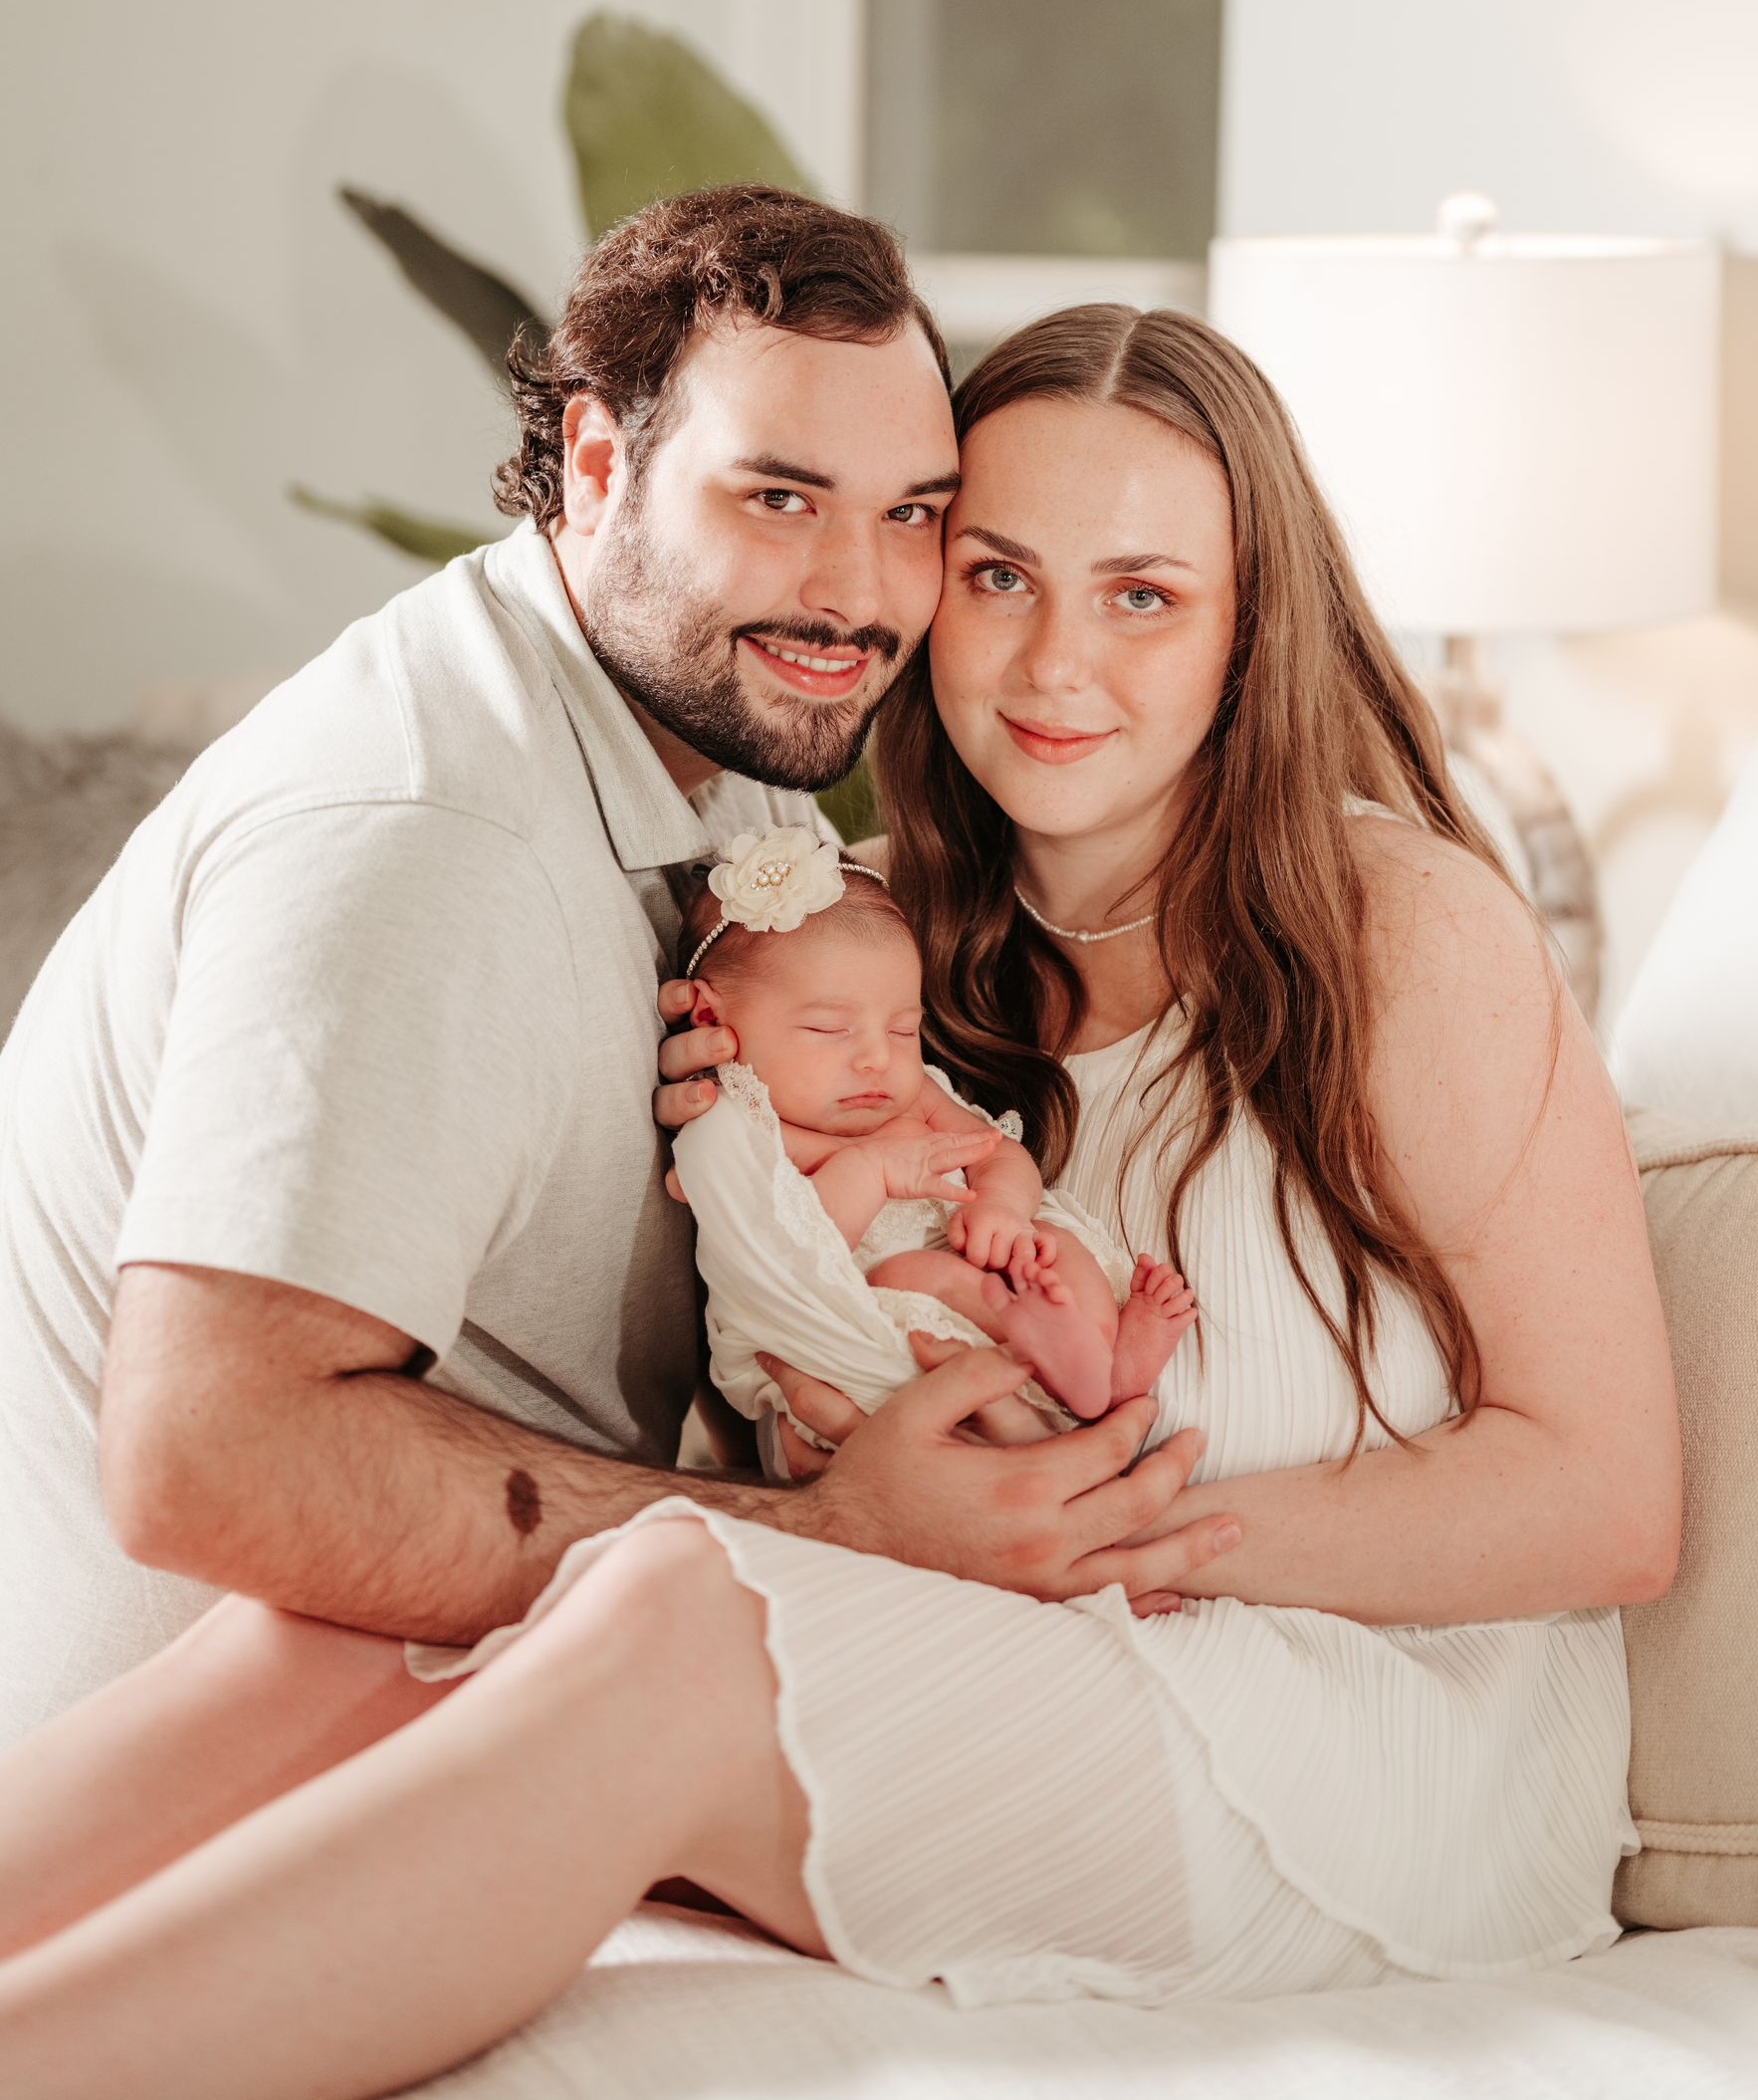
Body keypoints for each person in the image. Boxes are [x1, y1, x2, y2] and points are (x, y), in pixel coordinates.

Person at [0, 302, 1680, 2100]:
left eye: (1142, 594)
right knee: (364, 1608)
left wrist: (1075, 1534)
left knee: (662, 1614)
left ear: (1248, 627)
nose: (1052, 665)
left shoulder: (1401, 925)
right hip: (1021, 1645)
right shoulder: (839, 944)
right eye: (999, 574)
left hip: (1365, 1749)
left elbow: (1602, 1499)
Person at [0, 186, 1226, 1751]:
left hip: (493, 1683)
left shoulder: (735, 736)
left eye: (912, 513)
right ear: (594, 463)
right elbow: (205, 1457)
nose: (857, 593)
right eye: (778, 497)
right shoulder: (420, 839)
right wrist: (842, 1538)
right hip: (215, 1769)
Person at [667, 831, 1196, 1443]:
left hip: (985, 1257)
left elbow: (994, 1151)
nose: (874, 1059)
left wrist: (1003, 1208)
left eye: (902, 1029)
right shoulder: (736, 1125)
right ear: (711, 1018)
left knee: (1053, 1243)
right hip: (880, 1304)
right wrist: (871, 1169)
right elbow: (796, 1258)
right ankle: (1035, 1340)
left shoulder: (912, 1092)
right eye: (828, 1028)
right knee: (907, 1275)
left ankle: (1108, 1363)